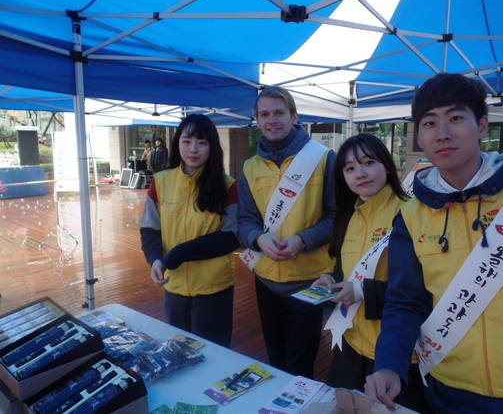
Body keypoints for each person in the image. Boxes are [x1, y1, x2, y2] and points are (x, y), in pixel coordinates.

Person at [365, 73, 503, 412]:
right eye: (429, 123)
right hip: (453, 388)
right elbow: (405, 300)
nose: (443, 133)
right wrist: (389, 363)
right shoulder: (410, 214)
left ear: (482, 126)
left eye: (455, 118)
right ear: (420, 135)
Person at [311, 134, 429, 411]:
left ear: (387, 166)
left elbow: (426, 289)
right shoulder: (349, 214)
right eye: (350, 168)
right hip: (350, 343)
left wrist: (362, 291)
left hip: (399, 356)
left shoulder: (412, 213)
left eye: (368, 162)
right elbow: (344, 268)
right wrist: (332, 280)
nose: (360, 173)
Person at [237, 86, 336, 378]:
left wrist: (302, 240)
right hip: (266, 278)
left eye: (279, 112)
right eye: (264, 114)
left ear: (294, 116)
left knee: (300, 364)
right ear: (256, 120)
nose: (272, 120)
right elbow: (244, 219)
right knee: (275, 358)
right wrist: (258, 238)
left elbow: (337, 216)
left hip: (311, 278)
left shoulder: (323, 159)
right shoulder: (249, 167)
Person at [140, 115, 239, 347]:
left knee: (213, 357)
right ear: (177, 143)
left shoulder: (228, 185)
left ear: (213, 147)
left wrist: (178, 254)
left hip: (213, 288)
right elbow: (149, 229)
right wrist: (154, 259)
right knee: (179, 351)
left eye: (202, 142)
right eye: (186, 141)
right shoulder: (161, 181)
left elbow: (231, 237)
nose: (193, 149)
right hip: (173, 286)